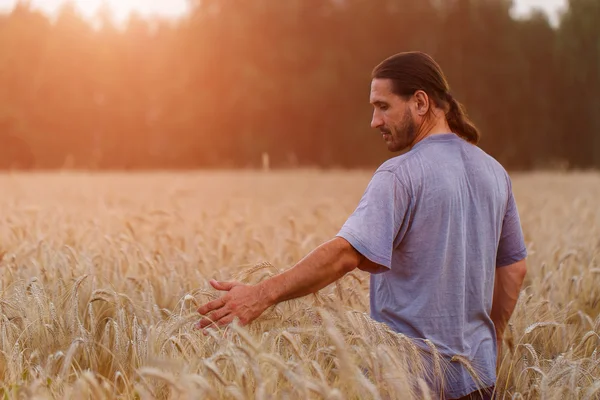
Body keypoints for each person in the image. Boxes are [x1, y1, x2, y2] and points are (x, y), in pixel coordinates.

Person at [195, 51, 528, 400]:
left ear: (420, 102)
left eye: (383, 106)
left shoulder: (400, 174)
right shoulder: (494, 173)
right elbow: (514, 269)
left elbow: (345, 254)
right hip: (479, 380)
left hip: (409, 383)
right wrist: (487, 346)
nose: (374, 121)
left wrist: (260, 295)